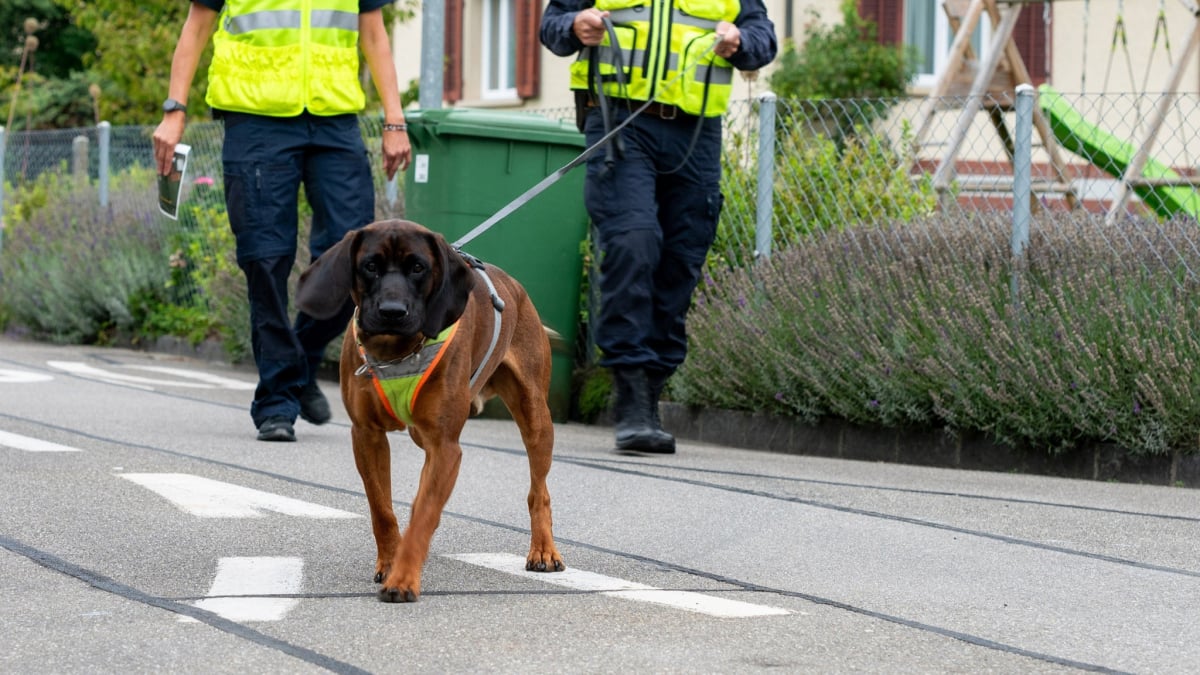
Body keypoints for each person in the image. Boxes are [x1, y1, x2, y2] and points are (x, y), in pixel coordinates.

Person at [153, 0, 411, 442]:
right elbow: (196, 29)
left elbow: (374, 34)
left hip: (334, 122)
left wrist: (394, 119)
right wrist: (174, 110)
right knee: (265, 259)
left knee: (357, 260)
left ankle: (298, 363)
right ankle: (276, 402)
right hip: (255, 121)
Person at [540, 0, 777, 454]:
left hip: (695, 133)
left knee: (682, 260)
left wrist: (741, 40)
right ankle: (631, 398)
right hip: (618, 121)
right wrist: (573, 25)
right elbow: (552, 27)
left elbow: (763, 37)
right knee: (634, 242)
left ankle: (653, 385)